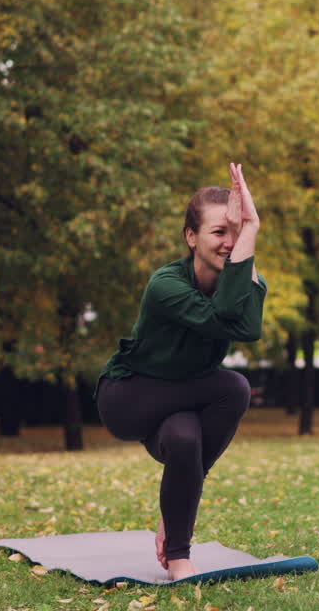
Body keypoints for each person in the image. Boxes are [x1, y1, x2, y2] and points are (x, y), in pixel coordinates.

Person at [95, 163, 265, 581]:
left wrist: (181, 489)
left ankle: (178, 556)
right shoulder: (166, 285)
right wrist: (252, 231)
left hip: (181, 399)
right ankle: (181, 503)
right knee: (234, 387)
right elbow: (227, 314)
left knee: (185, 438)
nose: (229, 242)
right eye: (219, 232)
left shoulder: (244, 280)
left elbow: (250, 329)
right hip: (129, 396)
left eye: (236, 230)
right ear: (191, 237)